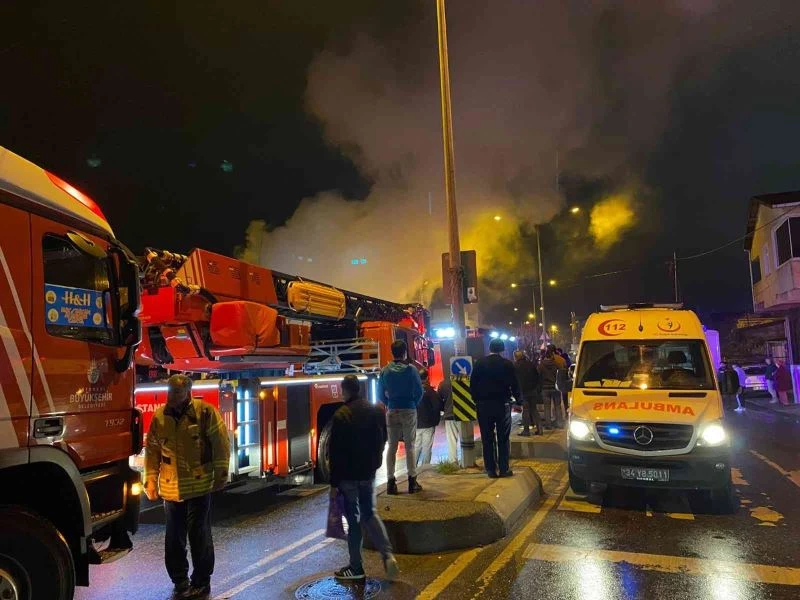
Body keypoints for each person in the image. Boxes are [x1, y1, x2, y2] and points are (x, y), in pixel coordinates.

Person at [145, 374, 230, 600]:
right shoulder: (160, 417)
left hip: (199, 487)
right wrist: (150, 479)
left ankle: (201, 582)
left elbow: (220, 444)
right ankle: (179, 580)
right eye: (170, 392)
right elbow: (152, 451)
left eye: (177, 393)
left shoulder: (205, 413)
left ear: (188, 393)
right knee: (174, 539)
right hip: (171, 489)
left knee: (199, 536)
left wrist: (221, 474)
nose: (171, 397)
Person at [329, 374, 399, 581]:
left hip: (348, 476)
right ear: (358, 389)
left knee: (354, 521)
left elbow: (335, 453)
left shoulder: (341, 414)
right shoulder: (375, 410)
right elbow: (383, 438)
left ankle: (356, 567)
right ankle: (387, 555)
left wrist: (333, 484)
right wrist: (374, 463)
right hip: (368, 473)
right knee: (370, 514)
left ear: (344, 390)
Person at [378, 339, 425, 494]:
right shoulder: (411, 370)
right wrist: (413, 403)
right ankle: (412, 481)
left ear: (392, 353)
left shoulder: (385, 371)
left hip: (392, 410)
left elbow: (380, 394)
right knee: (410, 446)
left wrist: (389, 403)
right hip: (409, 409)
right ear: (405, 352)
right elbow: (419, 391)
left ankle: (391, 482)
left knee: (392, 446)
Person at [471, 338, 522, 478]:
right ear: (503, 349)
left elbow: (473, 384)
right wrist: (519, 401)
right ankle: (504, 468)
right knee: (503, 438)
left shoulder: (480, 363)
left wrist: (477, 400)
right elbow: (515, 384)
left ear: (490, 349)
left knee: (487, 438)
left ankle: (490, 469)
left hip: (483, 406)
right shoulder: (507, 364)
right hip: (502, 404)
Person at [415, 369, 443, 466]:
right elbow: (437, 406)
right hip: (428, 424)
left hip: (416, 424)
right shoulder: (430, 391)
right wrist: (435, 419)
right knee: (427, 447)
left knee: (416, 446)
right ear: (427, 377)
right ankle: (425, 467)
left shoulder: (412, 390)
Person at [513, 350, 542, 436]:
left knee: (525, 410)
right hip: (533, 390)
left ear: (516, 357)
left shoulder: (515, 366)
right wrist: (536, 388)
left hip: (523, 391)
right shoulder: (530, 364)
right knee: (534, 410)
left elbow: (514, 380)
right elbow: (537, 376)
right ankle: (540, 429)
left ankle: (526, 431)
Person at [437, 378, 461, 464]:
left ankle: (453, 461)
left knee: (451, 440)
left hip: (449, 415)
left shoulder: (443, 384)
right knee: (466, 440)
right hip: (463, 415)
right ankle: (466, 460)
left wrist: (444, 409)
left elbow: (439, 400)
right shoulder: (465, 380)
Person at [539, 349, 562, 428]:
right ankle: (559, 423)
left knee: (547, 407)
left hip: (545, 388)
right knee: (557, 406)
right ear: (552, 355)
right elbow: (561, 372)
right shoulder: (556, 364)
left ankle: (548, 424)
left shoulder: (541, 365)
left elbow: (538, 375)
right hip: (555, 387)